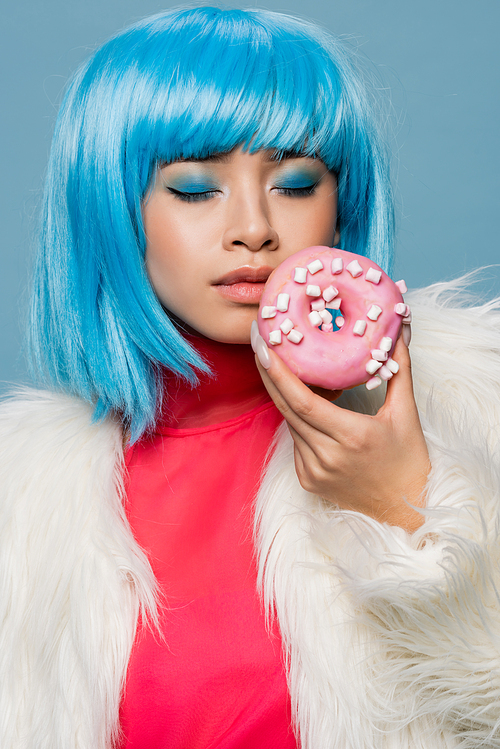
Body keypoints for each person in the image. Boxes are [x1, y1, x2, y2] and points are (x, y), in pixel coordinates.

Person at [1, 6, 499, 748]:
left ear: (341, 204)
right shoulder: (24, 490)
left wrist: (405, 510)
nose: (255, 227)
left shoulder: (469, 407)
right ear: (112, 209)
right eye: (197, 189)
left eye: (296, 183)